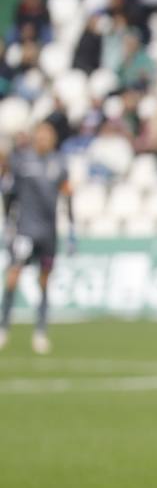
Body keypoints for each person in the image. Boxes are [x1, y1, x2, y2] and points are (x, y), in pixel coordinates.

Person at [0, 124, 75, 354]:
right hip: (25, 232)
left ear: (53, 139)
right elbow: (9, 193)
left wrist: (72, 229)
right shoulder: (22, 162)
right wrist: (9, 223)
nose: (43, 139)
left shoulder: (59, 164)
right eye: (40, 136)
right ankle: (3, 327)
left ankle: (40, 331)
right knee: (13, 276)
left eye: (47, 136)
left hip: (48, 236)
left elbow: (67, 194)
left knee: (44, 280)